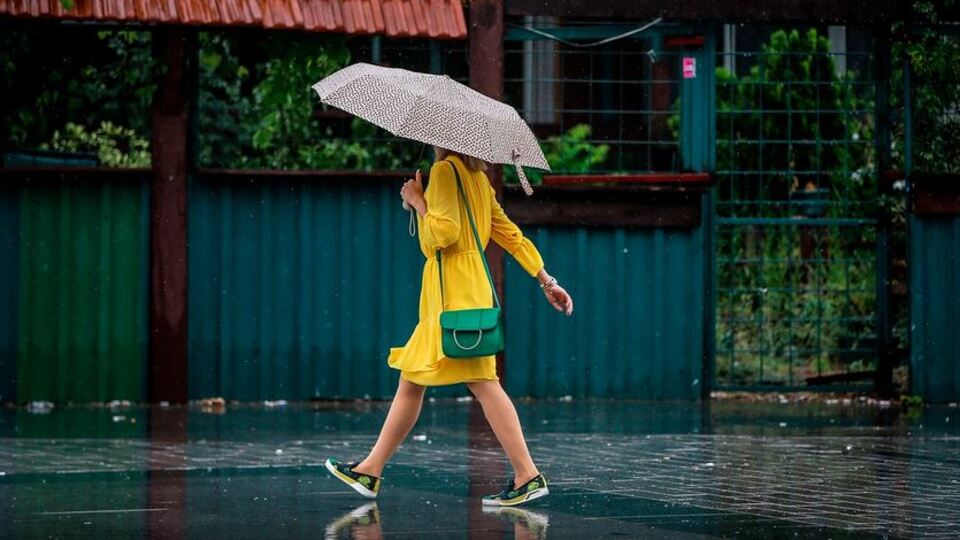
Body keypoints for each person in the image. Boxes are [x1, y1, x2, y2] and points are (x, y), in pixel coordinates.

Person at [325, 148, 573, 507]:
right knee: (420, 377)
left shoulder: (443, 172)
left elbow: (441, 236)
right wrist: (547, 281)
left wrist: (417, 200)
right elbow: (510, 235)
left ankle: (528, 475)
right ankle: (371, 468)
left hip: (450, 294)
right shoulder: (479, 179)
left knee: (474, 382)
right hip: (470, 291)